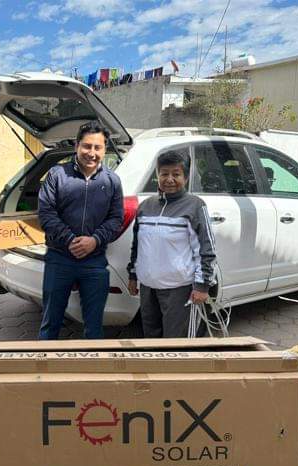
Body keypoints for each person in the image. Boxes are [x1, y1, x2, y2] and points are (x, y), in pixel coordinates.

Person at [38, 121, 124, 340]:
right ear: (77, 145)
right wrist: (69, 240)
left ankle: (90, 362)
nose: (91, 153)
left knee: (94, 327)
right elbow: (46, 214)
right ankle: (44, 362)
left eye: (98, 147)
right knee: (50, 323)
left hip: (94, 261)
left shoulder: (112, 181)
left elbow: (116, 218)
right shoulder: (57, 175)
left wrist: (95, 240)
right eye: (87, 146)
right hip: (59, 258)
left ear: (104, 149)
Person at [127, 150, 216, 338]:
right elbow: (137, 246)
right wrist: (133, 275)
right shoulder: (145, 206)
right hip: (148, 288)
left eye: (176, 174)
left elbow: (206, 249)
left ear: (185, 177)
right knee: (151, 338)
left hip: (179, 289)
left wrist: (202, 286)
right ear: (157, 175)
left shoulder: (195, 206)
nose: (169, 179)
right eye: (164, 173)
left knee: (176, 342)